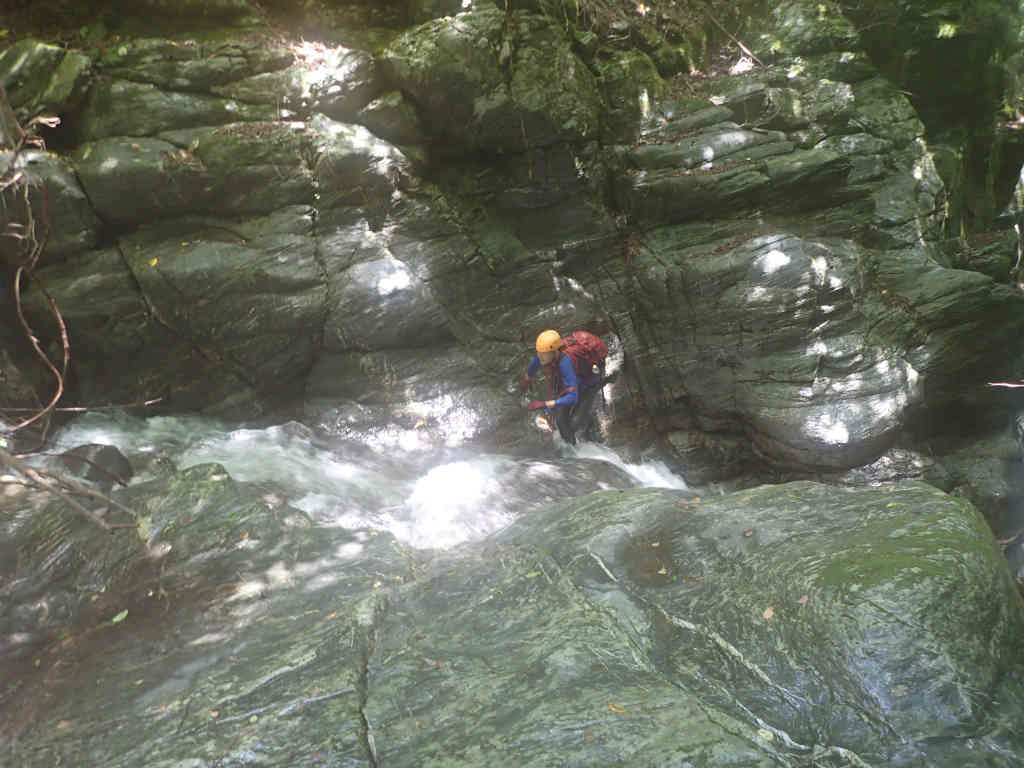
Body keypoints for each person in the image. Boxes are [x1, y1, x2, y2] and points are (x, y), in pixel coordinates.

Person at [520, 329, 607, 445]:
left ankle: (582, 439)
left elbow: (572, 397)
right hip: (575, 379)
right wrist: (527, 378)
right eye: (539, 352)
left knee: (573, 424)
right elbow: (536, 362)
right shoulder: (547, 354)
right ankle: (572, 445)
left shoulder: (565, 363)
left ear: (554, 352)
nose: (540, 356)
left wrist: (545, 404)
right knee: (560, 419)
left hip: (589, 381)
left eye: (543, 354)